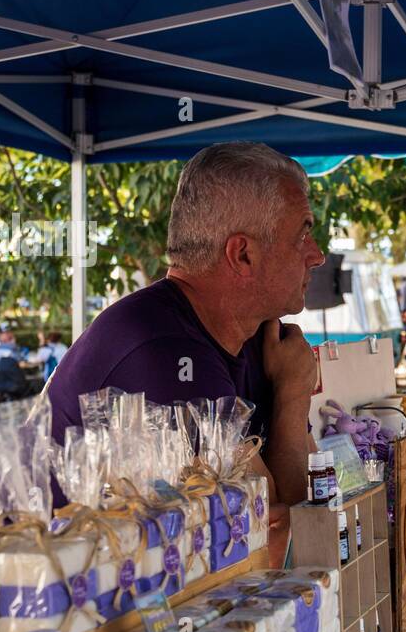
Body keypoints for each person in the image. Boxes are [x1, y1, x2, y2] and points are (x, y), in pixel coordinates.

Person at [45, 141, 325, 566]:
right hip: (26, 617)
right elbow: (263, 523)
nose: (317, 255)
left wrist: (293, 394)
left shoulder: (258, 337)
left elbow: (299, 497)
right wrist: (292, 393)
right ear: (243, 254)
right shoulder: (160, 347)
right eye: (303, 233)